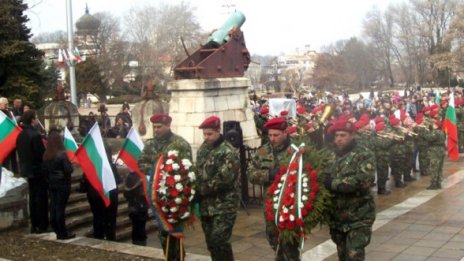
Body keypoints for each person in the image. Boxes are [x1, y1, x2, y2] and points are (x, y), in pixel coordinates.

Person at [138, 113, 192, 261]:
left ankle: (178, 257)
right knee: (163, 231)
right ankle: (170, 257)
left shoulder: (180, 144)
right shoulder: (150, 144)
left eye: (159, 127)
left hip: (175, 195)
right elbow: (141, 163)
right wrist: (159, 170)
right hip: (157, 194)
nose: (156, 130)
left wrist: (170, 174)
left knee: (174, 230)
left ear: (168, 126)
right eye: (154, 127)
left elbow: (187, 166)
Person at [248, 117, 301, 260]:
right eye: (270, 135)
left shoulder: (296, 150)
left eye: (276, 135)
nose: (272, 138)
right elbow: (251, 173)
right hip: (270, 204)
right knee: (273, 239)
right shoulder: (263, 151)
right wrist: (267, 175)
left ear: (285, 133)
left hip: (291, 204)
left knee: (291, 244)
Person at [323, 119, 376, 260]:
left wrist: (332, 184)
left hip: (359, 216)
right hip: (337, 218)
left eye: (343, 135)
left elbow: (363, 181)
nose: (339, 139)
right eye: (336, 136)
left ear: (352, 135)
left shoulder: (364, 154)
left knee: (354, 256)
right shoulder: (330, 155)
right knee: (342, 255)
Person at [195, 116, 240, 261]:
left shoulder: (228, 151)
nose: (206, 137)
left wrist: (200, 189)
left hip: (224, 205)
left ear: (218, 131)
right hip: (206, 205)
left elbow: (224, 180)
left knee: (220, 241)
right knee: (211, 243)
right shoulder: (203, 148)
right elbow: (199, 171)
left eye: (209, 134)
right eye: (204, 134)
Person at [78, 128, 121, 240]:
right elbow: (118, 180)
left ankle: (99, 235)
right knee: (109, 217)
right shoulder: (110, 166)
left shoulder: (91, 165)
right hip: (107, 194)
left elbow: (84, 181)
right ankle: (109, 236)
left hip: (95, 194)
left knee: (98, 217)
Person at [16, 110, 48, 233]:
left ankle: (34, 224)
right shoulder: (34, 135)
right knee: (40, 198)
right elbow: (41, 154)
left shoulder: (21, 135)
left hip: (27, 169)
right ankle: (42, 224)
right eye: (35, 118)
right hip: (37, 170)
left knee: (33, 197)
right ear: (33, 120)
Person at [42, 128, 75, 240]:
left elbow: (45, 170)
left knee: (54, 206)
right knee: (60, 208)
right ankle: (62, 232)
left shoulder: (46, 155)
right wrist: (70, 165)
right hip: (62, 184)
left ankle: (57, 229)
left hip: (52, 183)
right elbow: (68, 170)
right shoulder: (62, 154)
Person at [123, 171, 148, 246]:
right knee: (140, 225)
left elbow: (126, 193)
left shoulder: (130, 176)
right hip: (140, 205)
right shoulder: (142, 175)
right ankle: (140, 240)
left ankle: (138, 241)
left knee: (137, 225)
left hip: (136, 204)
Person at [424, 120, 446, 189]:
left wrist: (426, 131)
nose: (432, 125)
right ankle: (438, 183)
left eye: (434, 124)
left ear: (436, 126)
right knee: (439, 167)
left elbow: (429, 138)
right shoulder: (442, 132)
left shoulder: (435, 132)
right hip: (441, 150)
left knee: (434, 167)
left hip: (435, 151)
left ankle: (433, 184)